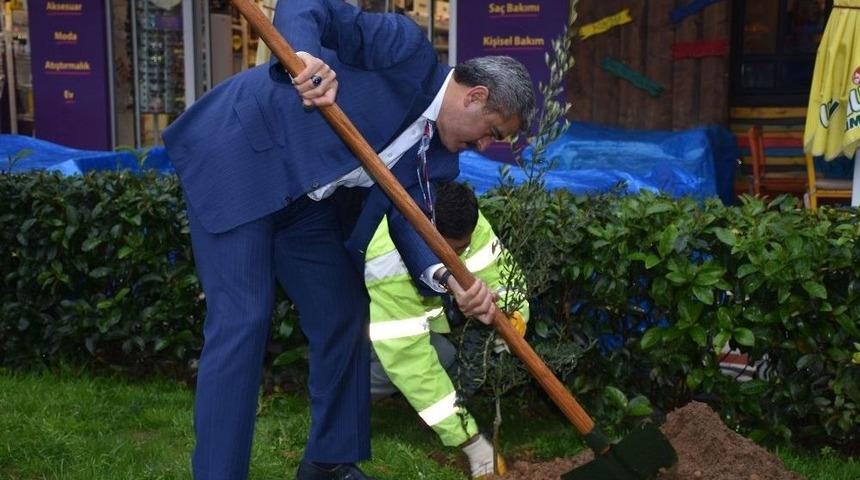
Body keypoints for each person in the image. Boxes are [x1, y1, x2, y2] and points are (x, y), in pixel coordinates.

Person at [160, 0, 535, 479]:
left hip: (306, 208)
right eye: (493, 133)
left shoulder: (439, 159)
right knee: (243, 320)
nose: (486, 147)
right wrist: (304, 56)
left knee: (344, 311)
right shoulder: (405, 50)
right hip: (242, 163)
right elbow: (306, 4)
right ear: (475, 96)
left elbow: (411, 221)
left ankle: (329, 462)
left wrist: (450, 278)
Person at [365, 182, 529, 478]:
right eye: (449, 250)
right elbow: (409, 360)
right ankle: (340, 396)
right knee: (398, 369)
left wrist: (514, 314)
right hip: (360, 324)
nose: (457, 256)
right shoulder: (391, 260)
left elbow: (502, 276)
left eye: (461, 249)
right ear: (425, 233)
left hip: (407, 327)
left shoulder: (470, 224)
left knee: (444, 354)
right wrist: (470, 441)